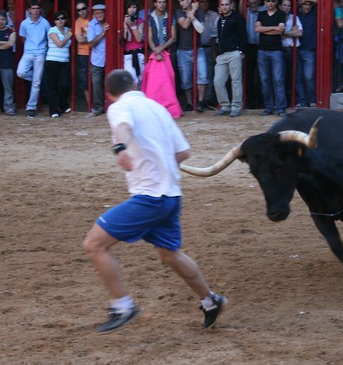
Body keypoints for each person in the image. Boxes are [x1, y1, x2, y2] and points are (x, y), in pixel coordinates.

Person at [82, 69, 228, 334]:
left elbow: (123, 127)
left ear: (109, 94)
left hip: (149, 197)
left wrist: (121, 148)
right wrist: (160, 164)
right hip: (171, 195)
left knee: (94, 245)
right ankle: (210, 300)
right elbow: (183, 152)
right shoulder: (157, 108)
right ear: (136, 84)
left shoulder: (119, 107)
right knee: (170, 254)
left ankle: (122, 306)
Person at [143, 0, 182, 118]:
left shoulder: (171, 17)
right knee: (155, 82)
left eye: (164, 2)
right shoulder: (150, 18)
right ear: (155, 4)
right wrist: (156, 50)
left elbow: (174, 37)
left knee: (169, 79)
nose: (162, 4)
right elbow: (149, 38)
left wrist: (161, 49)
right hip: (155, 53)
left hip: (168, 52)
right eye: (159, 2)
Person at [16, 0, 50, 118]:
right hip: (28, 52)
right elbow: (23, 39)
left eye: (37, 8)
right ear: (29, 10)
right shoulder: (24, 24)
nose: (35, 11)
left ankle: (31, 107)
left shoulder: (45, 23)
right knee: (21, 72)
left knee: (36, 83)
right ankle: (36, 78)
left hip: (40, 53)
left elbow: (49, 38)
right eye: (33, 9)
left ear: (39, 10)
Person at [213, 0, 246, 117]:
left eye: (227, 4)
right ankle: (225, 105)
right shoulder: (220, 19)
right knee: (218, 81)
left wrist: (241, 51)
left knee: (236, 80)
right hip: (222, 55)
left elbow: (243, 35)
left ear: (231, 6)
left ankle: (236, 107)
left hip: (234, 53)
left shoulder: (237, 18)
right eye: (222, 5)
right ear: (220, 7)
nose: (225, 7)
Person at [255, 0, 287, 117]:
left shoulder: (281, 14)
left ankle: (280, 108)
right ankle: (269, 107)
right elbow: (257, 29)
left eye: (272, 1)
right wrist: (274, 28)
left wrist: (265, 29)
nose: (270, 3)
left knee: (277, 79)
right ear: (265, 2)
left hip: (276, 51)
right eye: (268, 1)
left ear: (276, 2)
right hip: (262, 51)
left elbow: (280, 31)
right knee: (265, 80)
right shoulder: (261, 13)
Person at [175, 0, 207, 113]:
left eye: (183, 0)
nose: (181, 3)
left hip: (198, 49)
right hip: (183, 50)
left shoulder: (200, 12)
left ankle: (200, 101)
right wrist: (193, 10)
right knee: (185, 79)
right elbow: (184, 25)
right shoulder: (179, 11)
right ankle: (189, 102)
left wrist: (192, 16)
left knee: (202, 76)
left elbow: (201, 30)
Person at [45, 10, 72, 118]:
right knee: (53, 86)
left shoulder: (67, 30)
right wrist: (68, 37)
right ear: (54, 21)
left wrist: (67, 35)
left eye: (62, 18)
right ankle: (54, 110)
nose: (60, 21)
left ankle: (63, 105)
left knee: (64, 85)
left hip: (64, 61)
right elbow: (59, 44)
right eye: (57, 19)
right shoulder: (52, 30)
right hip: (52, 61)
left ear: (65, 20)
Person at [238, 0, 264, 109]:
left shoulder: (264, 10)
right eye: (250, 0)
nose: (253, 2)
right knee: (248, 75)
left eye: (255, 0)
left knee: (261, 76)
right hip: (249, 47)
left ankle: (261, 101)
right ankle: (250, 102)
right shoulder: (246, 11)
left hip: (262, 46)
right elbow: (240, 9)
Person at [87, 4, 110, 117]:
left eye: (101, 12)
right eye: (97, 13)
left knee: (112, 82)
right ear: (94, 14)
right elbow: (91, 44)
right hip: (97, 58)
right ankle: (99, 107)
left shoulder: (110, 21)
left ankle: (111, 106)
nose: (100, 15)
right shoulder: (92, 24)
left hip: (111, 57)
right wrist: (103, 33)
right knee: (96, 83)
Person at [279, 0, 303, 108]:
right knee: (281, 78)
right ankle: (285, 103)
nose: (287, 7)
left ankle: (298, 102)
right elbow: (278, 36)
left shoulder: (295, 18)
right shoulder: (277, 18)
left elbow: (299, 33)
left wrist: (285, 33)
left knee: (295, 77)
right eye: (284, 5)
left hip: (292, 50)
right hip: (281, 50)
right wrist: (292, 33)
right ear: (280, 6)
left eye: (289, 5)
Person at [0, 10, 16, 115]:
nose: (0, 21)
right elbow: (7, 44)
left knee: (8, 88)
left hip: (7, 63)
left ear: (6, 20)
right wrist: (4, 43)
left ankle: (9, 108)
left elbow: (11, 44)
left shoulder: (11, 31)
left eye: (2, 19)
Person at [297, 0, 317, 108]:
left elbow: (320, 3)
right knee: (298, 77)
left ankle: (312, 100)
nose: (308, 6)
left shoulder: (314, 13)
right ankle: (302, 101)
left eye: (309, 4)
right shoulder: (296, 13)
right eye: (305, 4)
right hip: (296, 48)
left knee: (308, 77)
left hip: (309, 49)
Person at [199, 0, 219, 107]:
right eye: (201, 1)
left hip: (209, 47)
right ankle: (198, 100)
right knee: (199, 75)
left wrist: (214, 51)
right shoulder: (194, 14)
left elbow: (215, 36)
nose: (204, 4)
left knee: (210, 74)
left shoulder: (215, 15)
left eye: (206, 1)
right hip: (197, 48)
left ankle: (207, 99)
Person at [123, 1, 145, 88]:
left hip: (139, 53)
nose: (132, 10)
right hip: (128, 54)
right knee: (131, 78)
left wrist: (133, 26)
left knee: (141, 79)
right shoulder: (123, 20)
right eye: (130, 7)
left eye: (134, 7)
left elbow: (139, 39)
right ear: (126, 9)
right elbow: (128, 39)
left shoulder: (140, 21)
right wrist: (125, 25)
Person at [74, 1, 91, 109]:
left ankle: (100, 103)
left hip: (96, 52)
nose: (81, 11)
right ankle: (90, 104)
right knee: (85, 80)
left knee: (98, 78)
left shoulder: (94, 18)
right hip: (83, 53)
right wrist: (94, 38)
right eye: (78, 10)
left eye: (83, 8)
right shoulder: (78, 22)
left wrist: (87, 38)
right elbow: (79, 39)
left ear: (88, 8)